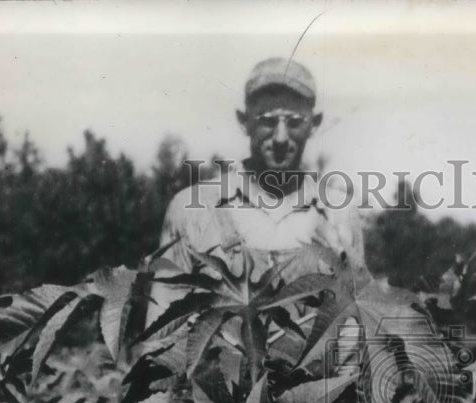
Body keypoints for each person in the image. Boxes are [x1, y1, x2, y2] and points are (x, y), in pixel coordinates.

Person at [154, 57, 366, 278]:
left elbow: (358, 307)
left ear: (313, 125)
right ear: (244, 122)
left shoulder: (339, 212)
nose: (281, 138)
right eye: (268, 121)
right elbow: (164, 309)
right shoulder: (192, 209)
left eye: (294, 122)